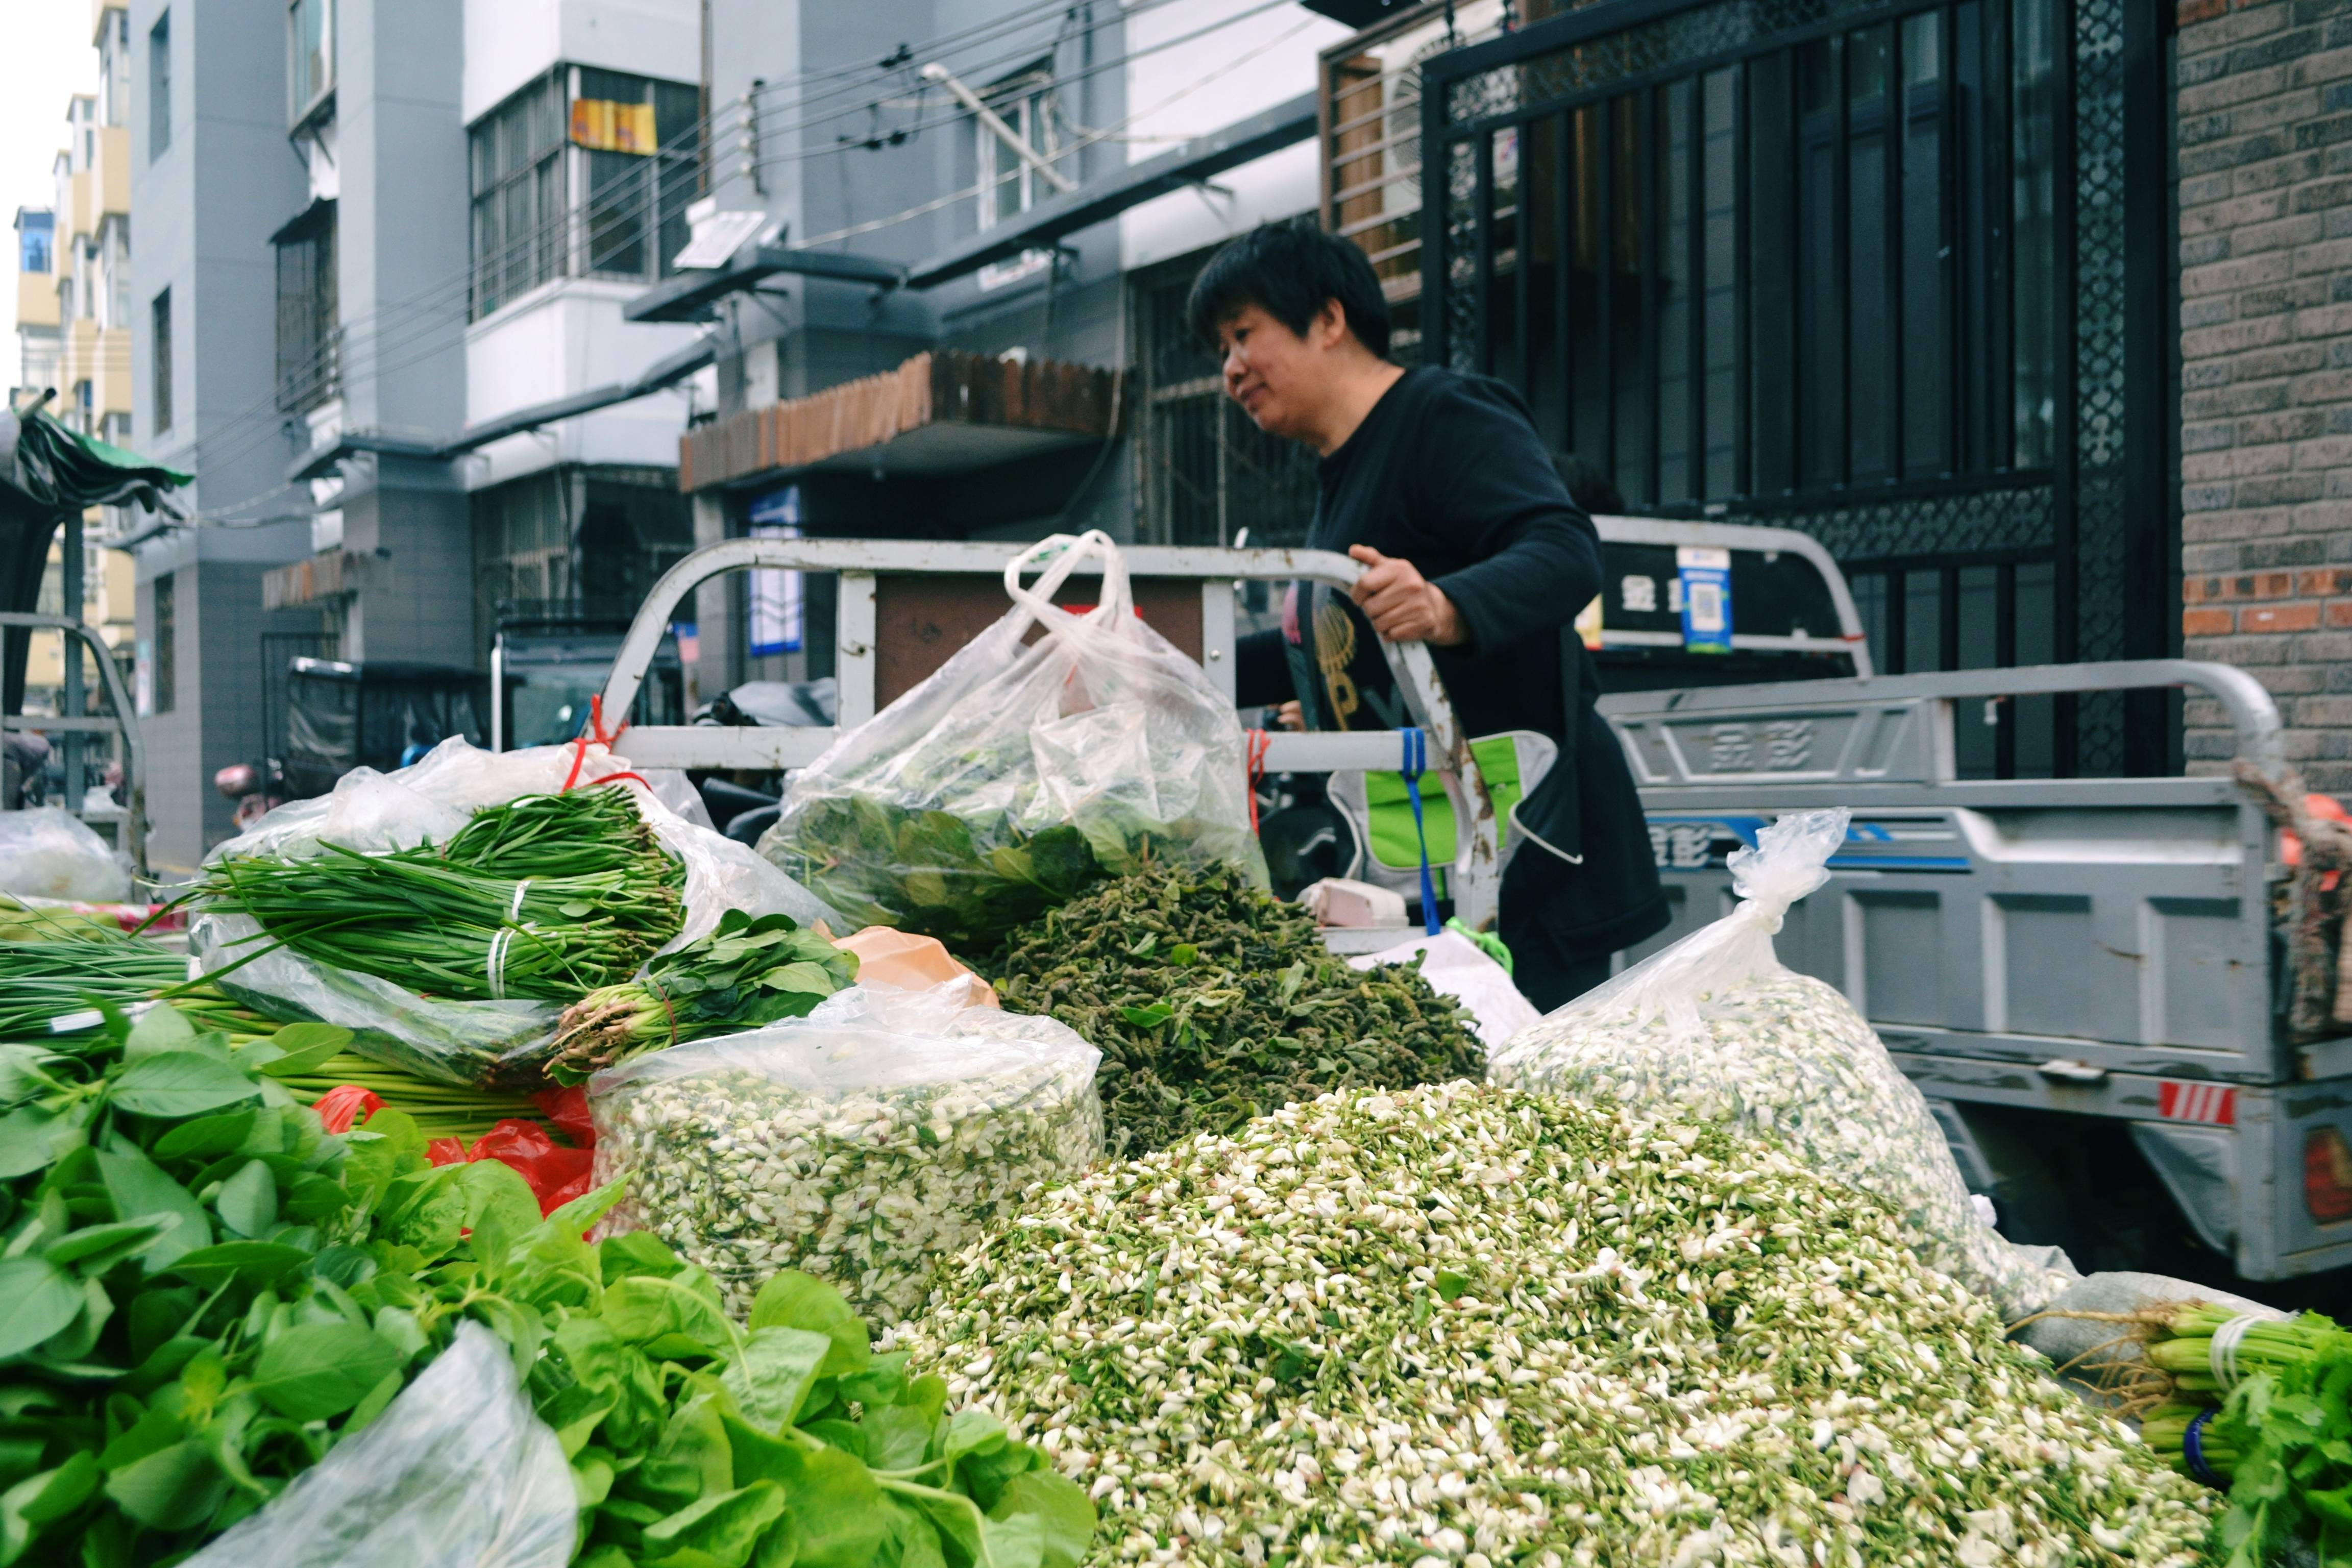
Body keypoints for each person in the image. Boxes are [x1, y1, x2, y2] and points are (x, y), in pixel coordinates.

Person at [1195, 219, 1668, 1011]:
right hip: (1438, 858)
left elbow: (1564, 550)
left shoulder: (1442, 414)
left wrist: (1447, 606)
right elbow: (1324, 640)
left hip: (1529, 859)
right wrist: (1150, 663)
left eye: (1244, 335)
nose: (1231, 369)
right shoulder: (1340, 472)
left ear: (1330, 320)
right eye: (1221, 351)